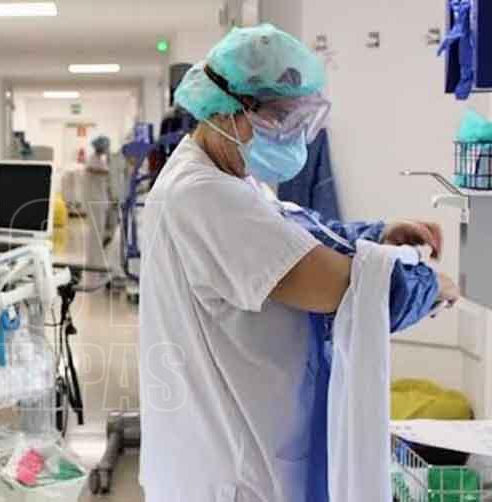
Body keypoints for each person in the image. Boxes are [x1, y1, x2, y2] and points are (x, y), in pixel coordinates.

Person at [138, 25, 460, 502]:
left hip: (244, 450)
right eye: (279, 117)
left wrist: (377, 234)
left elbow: (293, 229)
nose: (292, 133)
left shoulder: (224, 175)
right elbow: (340, 289)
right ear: (226, 109)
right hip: (232, 475)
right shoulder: (203, 195)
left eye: (299, 117)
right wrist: (431, 286)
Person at [82, 135, 113, 283]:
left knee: (97, 234)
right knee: (95, 234)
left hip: (99, 202)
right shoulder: (93, 161)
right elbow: (99, 172)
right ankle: (95, 265)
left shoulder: (99, 160)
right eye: (106, 147)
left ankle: (95, 263)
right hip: (95, 203)